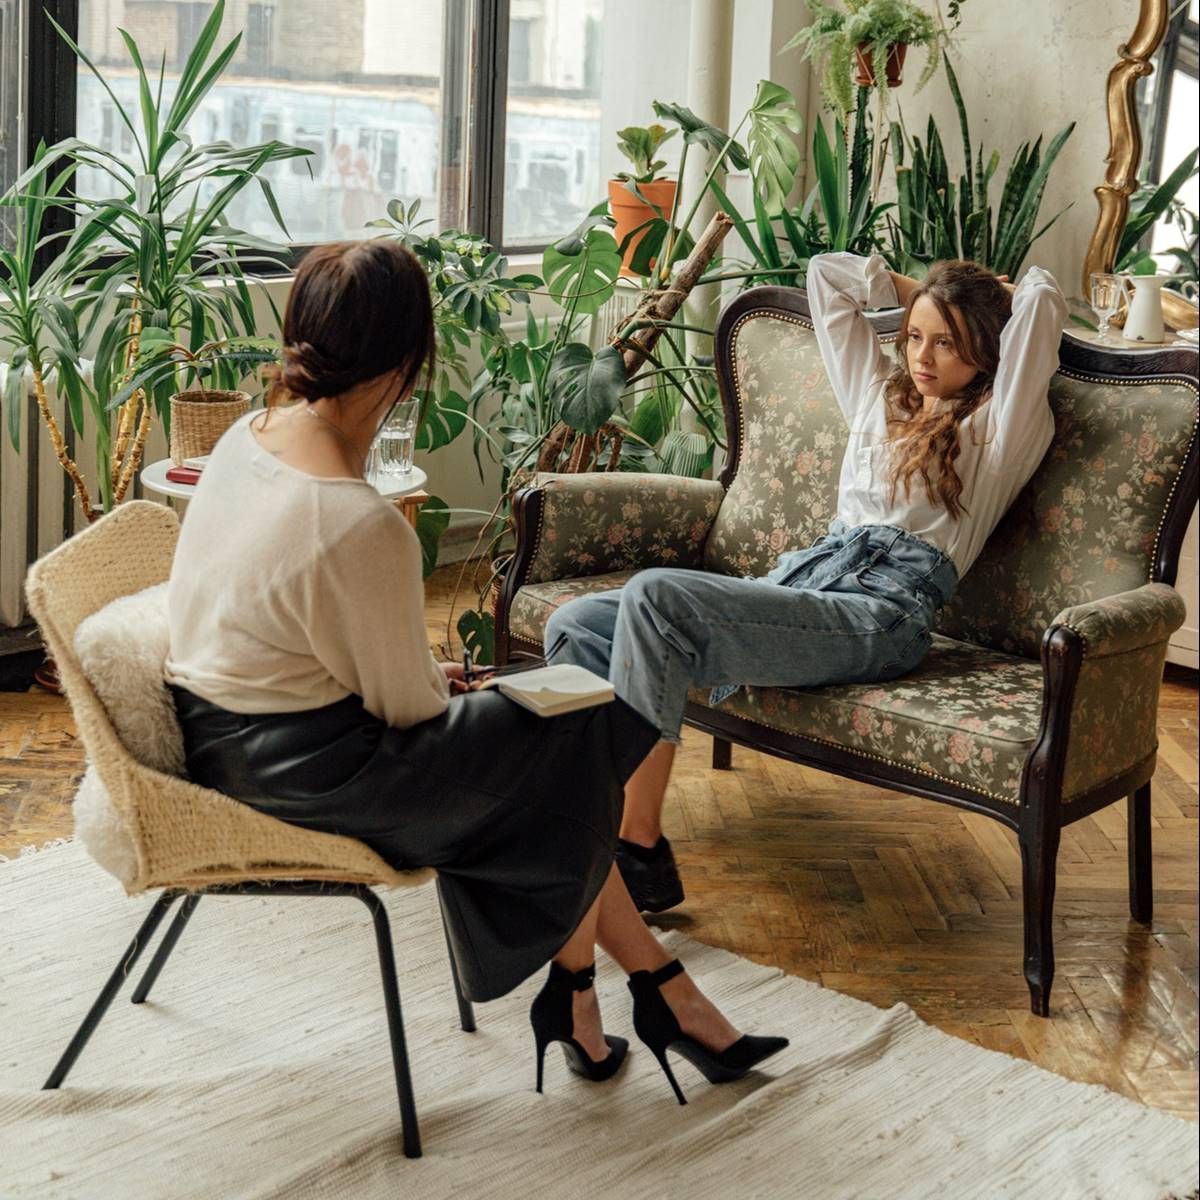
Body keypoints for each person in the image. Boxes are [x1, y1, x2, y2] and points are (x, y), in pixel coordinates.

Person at [164, 239, 786, 1105]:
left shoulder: (244, 438)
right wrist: (462, 687)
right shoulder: (353, 519)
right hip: (312, 776)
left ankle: (622, 998)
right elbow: (411, 710)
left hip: (219, 738)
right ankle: (641, 997)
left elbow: (311, 644)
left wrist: (452, 690)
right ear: (405, 365)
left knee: (564, 736)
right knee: (576, 736)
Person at [546, 251, 1067, 913]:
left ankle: (637, 851)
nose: (922, 356)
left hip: (881, 613)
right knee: (576, 625)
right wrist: (927, 295)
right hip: (806, 584)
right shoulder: (879, 396)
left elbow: (1044, 303)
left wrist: (973, 297)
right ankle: (578, 821)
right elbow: (828, 276)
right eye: (914, 336)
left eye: (946, 342)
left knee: (655, 596)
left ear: (987, 349)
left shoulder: (1000, 426)